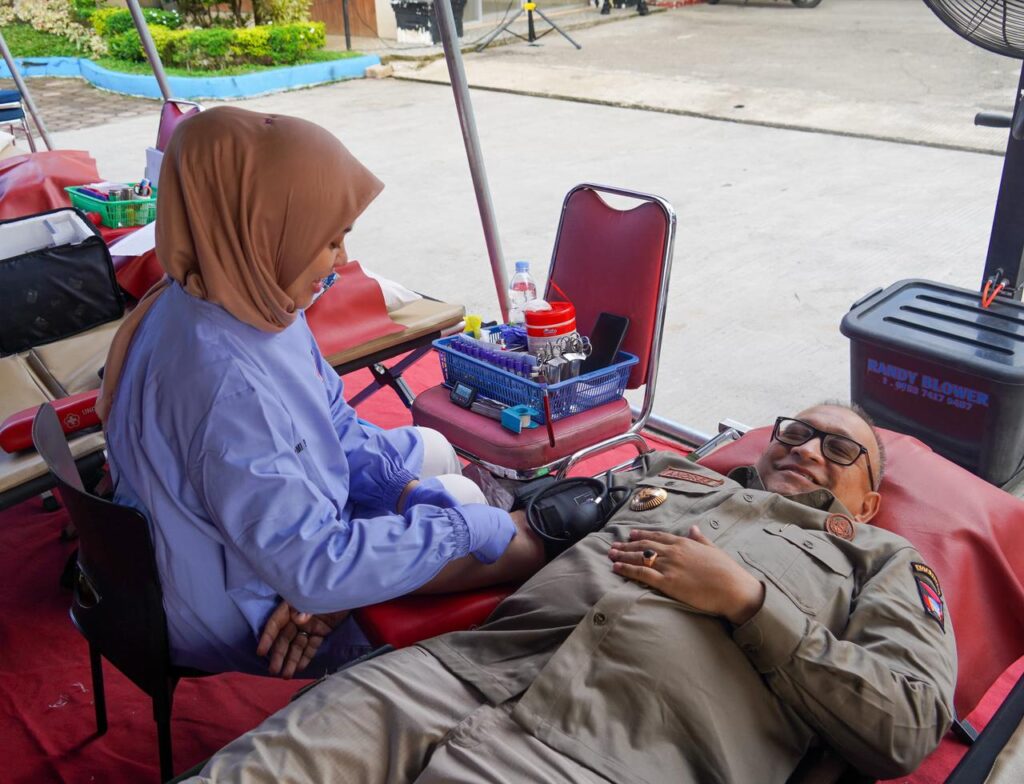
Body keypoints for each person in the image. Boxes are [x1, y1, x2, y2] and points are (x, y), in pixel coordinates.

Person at [187, 403, 957, 783]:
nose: (805, 447)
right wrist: (354, 577)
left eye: (840, 447)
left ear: (867, 501)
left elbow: (907, 724)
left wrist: (752, 603)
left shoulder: (883, 563)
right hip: (454, 676)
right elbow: (515, 535)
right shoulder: (673, 477)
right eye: (793, 431)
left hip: (606, 755)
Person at [99, 106, 544, 678]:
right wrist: (458, 531)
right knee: (485, 521)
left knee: (431, 456)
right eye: (326, 240)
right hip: (220, 601)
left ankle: (436, 550)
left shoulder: (236, 293)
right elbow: (311, 564)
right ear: (261, 229)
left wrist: (399, 491)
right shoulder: (224, 381)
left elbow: (330, 417)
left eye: (341, 238)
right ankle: (527, 551)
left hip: (232, 538)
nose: (342, 261)